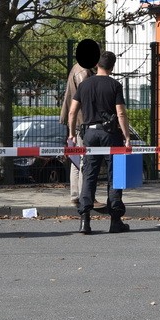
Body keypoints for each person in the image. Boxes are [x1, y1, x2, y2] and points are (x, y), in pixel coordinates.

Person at [67, 50, 132, 235]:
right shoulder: (115, 85)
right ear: (112, 67)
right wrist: (126, 136)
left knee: (89, 174)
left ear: (97, 65)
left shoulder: (85, 85)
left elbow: (72, 112)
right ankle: (115, 220)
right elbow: (120, 113)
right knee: (116, 175)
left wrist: (72, 133)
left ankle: (85, 220)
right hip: (111, 135)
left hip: (89, 134)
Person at [59, 40, 98, 204]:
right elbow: (86, 96)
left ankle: (75, 194)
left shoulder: (76, 68)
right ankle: (84, 195)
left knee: (76, 159)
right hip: (82, 121)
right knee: (85, 160)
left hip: (74, 120)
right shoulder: (83, 72)